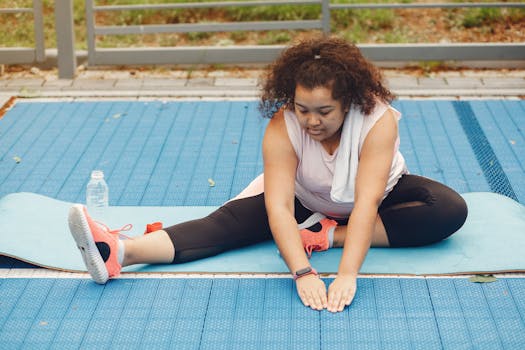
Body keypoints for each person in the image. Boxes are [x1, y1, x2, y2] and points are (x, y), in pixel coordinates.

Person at [68, 35, 467, 313]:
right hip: (306, 200)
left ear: (348, 102)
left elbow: (365, 203)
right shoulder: (282, 126)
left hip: (378, 197)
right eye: (302, 108)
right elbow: (278, 207)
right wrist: (303, 272)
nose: (311, 121)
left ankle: (325, 234)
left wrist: (347, 273)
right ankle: (120, 252)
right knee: (226, 224)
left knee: (448, 209)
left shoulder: (377, 121)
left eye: (324, 111)